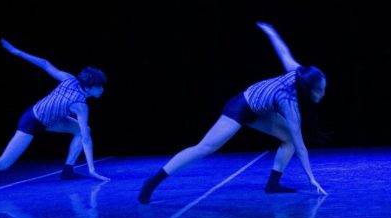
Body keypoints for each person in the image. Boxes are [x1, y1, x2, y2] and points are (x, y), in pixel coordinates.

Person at [138, 22, 328, 204]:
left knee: (289, 139)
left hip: (261, 110)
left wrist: (271, 33)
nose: (323, 94)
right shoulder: (289, 101)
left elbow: (283, 52)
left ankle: (273, 183)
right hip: (241, 107)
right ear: (307, 88)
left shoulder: (299, 73)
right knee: (205, 148)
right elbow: (301, 147)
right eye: (319, 90)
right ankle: (153, 181)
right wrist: (311, 179)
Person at [0, 39, 108, 182]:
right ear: (89, 87)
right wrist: (92, 170)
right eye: (99, 86)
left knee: (82, 129)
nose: (102, 89)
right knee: (2, 164)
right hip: (32, 121)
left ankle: (68, 170)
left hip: (51, 120)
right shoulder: (80, 105)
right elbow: (86, 140)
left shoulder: (69, 79)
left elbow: (46, 64)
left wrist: (17, 51)